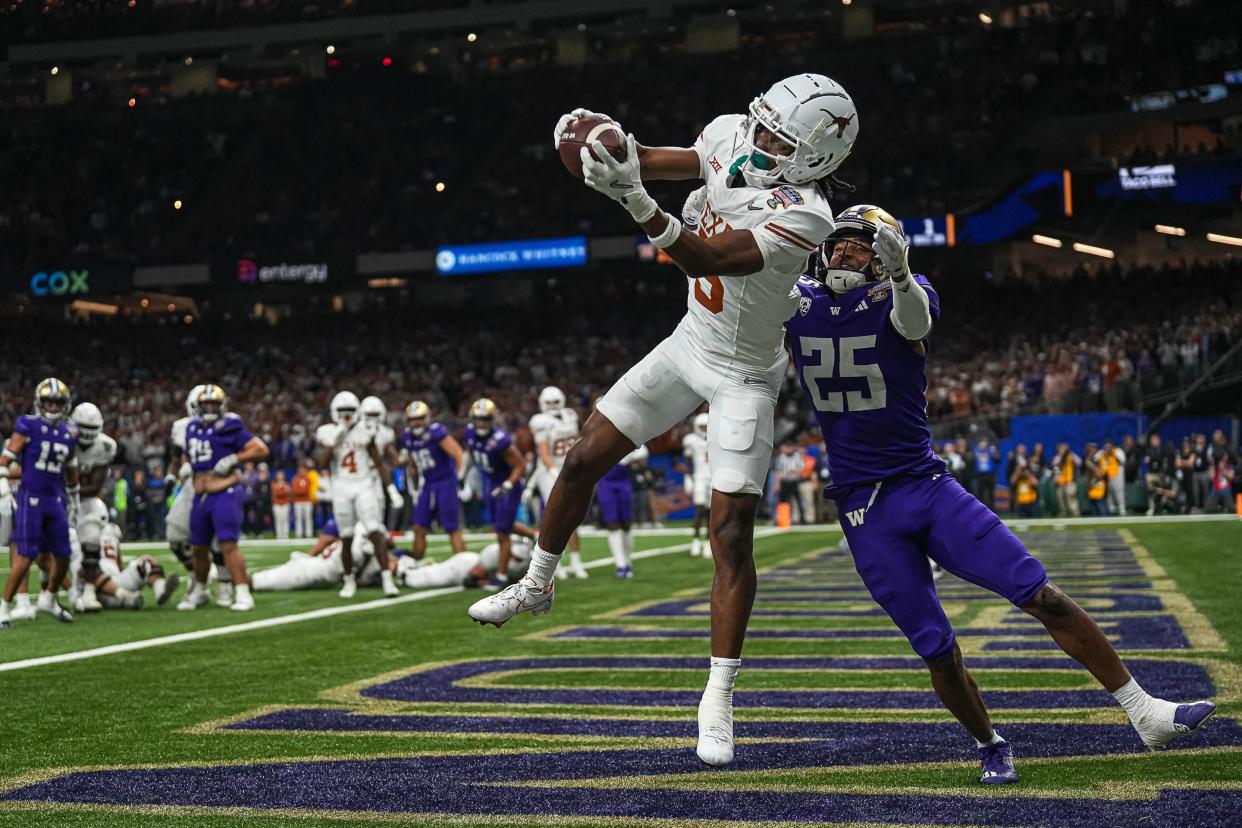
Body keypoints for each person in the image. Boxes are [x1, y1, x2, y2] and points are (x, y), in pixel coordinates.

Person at [469, 73, 858, 770]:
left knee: (730, 533)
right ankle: (536, 584)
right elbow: (649, 156)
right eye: (763, 124)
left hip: (745, 371)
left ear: (818, 157)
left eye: (781, 137)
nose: (762, 140)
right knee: (584, 454)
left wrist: (637, 203)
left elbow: (710, 257)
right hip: (689, 342)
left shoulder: (808, 214)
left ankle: (719, 695)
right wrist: (605, 145)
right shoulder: (725, 133)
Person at [785, 204, 1215, 784]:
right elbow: (740, 296)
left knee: (1042, 594)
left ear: (883, 255)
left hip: (924, 485)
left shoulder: (905, 293)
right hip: (864, 508)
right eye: (838, 243)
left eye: (859, 245)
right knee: (936, 648)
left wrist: (902, 272)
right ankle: (989, 742)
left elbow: (914, 324)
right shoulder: (797, 300)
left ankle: (1146, 713)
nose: (844, 252)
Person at [176, 384, 268, 612]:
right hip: (200, 494)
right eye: (205, 403)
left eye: (213, 404)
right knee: (198, 547)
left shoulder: (230, 425)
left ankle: (243, 592)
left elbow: (260, 449)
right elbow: (189, 455)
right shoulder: (190, 428)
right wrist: (186, 466)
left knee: (228, 544)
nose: (209, 407)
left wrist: (234, 459)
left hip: (224, 491)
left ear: (222, 406)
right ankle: (200, 590)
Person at [0, 378, 79, 627]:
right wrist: (2, 486)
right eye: (49, 402)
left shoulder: (70, 431)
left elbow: (71, 468)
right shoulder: (27, 424)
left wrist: (75, 498)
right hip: (31, 496)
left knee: (64, 554)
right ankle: (4, 606)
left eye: (58, 402)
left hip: (56, 497)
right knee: (26, 554)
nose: (53, 406)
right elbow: (6, 458)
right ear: (39, 402)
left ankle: (50, 598)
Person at [313, 391, 401, 599]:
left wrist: (391, 489)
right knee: (346, 537)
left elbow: (378, 463)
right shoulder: (327, 432)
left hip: (364, 486)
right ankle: (348, 580)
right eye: (342, 412)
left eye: (350, 412)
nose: (346, 416)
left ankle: (387, 579)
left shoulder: (364, 431)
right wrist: (338, 435)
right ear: (335, 413)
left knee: (374, 531)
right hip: (341, 487)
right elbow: (322, 462)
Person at [461, 398, 536, 591]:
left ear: (492, 419)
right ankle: (535, 536)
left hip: (507, 485)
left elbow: (521, 465)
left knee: (502, 533)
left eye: (485, 419)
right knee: (502, 524)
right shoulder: (470, 434)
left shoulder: (500, 440)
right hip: (492, 483)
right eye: (478, 419)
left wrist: (508, 484)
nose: (481, 423)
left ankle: (501, 576)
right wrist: (462, 475)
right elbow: (470, 454)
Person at [529, 386, 588, 579]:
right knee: (555, 519)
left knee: (573, 518)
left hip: (570, 470)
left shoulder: (570, 415)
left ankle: (577, 562)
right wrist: (555, 471)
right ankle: (554, 566)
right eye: (549, 403)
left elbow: (579, 440)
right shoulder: (540, 422)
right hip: (549, 473)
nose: (553, 406)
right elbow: (544, 452)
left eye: (556, 402)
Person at [66, 402, 117, 613]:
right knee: (51, 546)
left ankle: (89, 591)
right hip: (61, 499)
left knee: (92, 540)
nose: (87, 435)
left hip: (83, 500)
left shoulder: (105, 446)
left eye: (91, 429)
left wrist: (69, 487)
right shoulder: (64, 439)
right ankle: (49, 594)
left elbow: (95, 488)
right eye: (83, 428)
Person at [400, 401, 467, 561]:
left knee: (451, 527)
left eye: (420, 418)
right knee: (418, 526)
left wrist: (459, 479)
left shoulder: (436, 432)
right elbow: (412, 464)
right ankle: (416, 561)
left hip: (445, 482)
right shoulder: (407, 437)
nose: (416, 422)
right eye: (412, 418)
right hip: (428, 484)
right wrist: (415, 487)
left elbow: (458, 453)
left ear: (427, 418)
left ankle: (464, 564)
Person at [165, 385, 206, 578]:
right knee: (175, 536)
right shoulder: (181, 427)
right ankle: (195, 577)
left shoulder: (224, 425)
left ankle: (224, 586)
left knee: (211, 541)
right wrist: (171, 477)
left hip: (211, 485)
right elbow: (175, 458)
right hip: (189, 487)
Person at [597, 435, 649, 578]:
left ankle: (628, 561)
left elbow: (642, 457)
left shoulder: (630, 441)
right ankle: (620, 564)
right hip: (606, 482)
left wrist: (630, 457)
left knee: (626, 523)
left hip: (624, 482)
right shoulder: (603, 440)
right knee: (612, 523)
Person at [681, 412, 712, 558]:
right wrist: (687, 476)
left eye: (706, 426)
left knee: (710, 512)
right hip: (699, 477)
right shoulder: (691, 440)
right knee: (699, 509)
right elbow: (687, 460)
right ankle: (695, 540)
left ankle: (708, 542)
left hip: (713, 478)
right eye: (701, 427)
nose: (704, 429)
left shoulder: (716, 438)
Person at [1052, 443, 1081, 517]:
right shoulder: (1057, 457)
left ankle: (1075, 514)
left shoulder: (1071, 456)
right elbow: (1054, 466)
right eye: (1061, 448)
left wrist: (1069, 453)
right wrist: (1061, 455)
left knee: (1071, 497)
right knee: (1061, 499)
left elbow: (1079, 462)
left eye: (1064, 448)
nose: (1062, 450)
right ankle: (1064, 513)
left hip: (1070, 481)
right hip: (1060, 482)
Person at [291, 460, 313, 537]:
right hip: (298, 501)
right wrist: (301, 491)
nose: (302, 471)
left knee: (308, 518)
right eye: (300, 470)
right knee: (298, 518)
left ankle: (308, 533)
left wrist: (301, 491)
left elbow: (307, 489)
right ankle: (299, 534)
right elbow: (294, 490)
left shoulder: (308, 478)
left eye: (303, 470)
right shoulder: (295, 479)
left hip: (307, 501)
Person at [271, 469, 292, 539]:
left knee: (285, 519)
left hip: (285, 503)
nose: (280, 476)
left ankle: (285, 534)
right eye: (278, 475)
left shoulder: (286, 483)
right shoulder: (273, 483)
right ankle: (279, 535)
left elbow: (288, 492)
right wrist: (278, 486)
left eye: (281, 474)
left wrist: (284, 485)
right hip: (277, 504)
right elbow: (275, 493)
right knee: (278, 520)